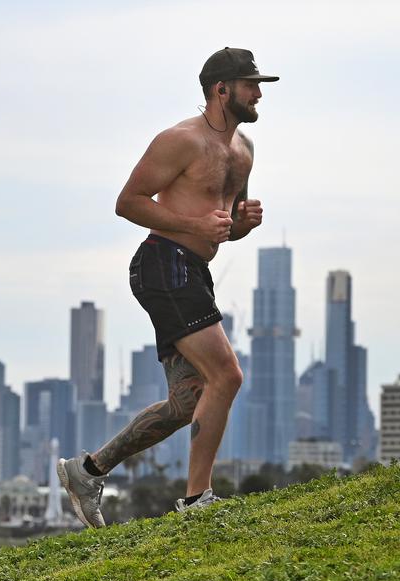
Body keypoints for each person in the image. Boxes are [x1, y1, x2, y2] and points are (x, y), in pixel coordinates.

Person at [57, 47, 278, 528]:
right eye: (251, 84)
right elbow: (128, 203)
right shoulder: (179, 140)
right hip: (162, 263)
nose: (259, 93)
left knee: (187, 402)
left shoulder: (244, 152)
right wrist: (195, 225)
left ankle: (87, 471)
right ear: (222, 90)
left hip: (193, 270)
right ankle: (198, 500)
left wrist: (242, 226)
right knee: (228, 376)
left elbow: (221, 228)